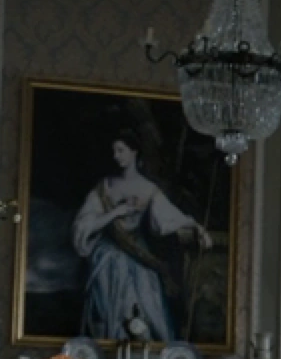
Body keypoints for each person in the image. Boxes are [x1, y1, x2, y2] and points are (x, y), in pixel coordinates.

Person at [72, 122, 212, 343]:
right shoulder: (105, 186)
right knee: (106, 304)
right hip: (106, 258)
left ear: (134, 151)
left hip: (139, 257)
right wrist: (115, 212)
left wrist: (196, 228)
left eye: (121, 150)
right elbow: (83, 224)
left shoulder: (148, 189)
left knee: (148, 300)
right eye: (114, 151)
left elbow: (168, 219)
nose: (116, 156)